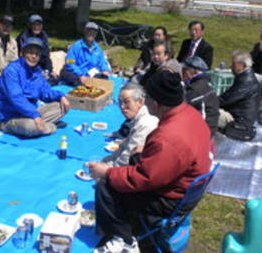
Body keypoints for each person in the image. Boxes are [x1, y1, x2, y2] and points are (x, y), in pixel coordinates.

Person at [89, 71, 212, 253]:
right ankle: (130, 224)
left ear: (156, 103)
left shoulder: (169, 137)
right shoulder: (190, 114)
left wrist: (107, 171)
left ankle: (124, 240)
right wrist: (147, 150)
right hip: (189, 186)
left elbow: (142, 179)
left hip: (173, 198)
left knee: (105, 187)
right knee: (134, 158)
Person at [0, 37, 70, 138]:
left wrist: (61, 96)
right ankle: (48, 127)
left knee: (61, 106)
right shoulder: (12, 70)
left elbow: (45, 92)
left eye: (37, 54)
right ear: (22, 53)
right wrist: (35, 115)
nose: (33, 56)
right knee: (30, 126)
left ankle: (40, 126)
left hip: (31, 113)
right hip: (11, 116)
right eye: (30, 52)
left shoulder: (37, 71)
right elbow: (16, 98)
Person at [102, 83, 159, 167]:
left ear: (139, 102)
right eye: (120, 102)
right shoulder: (136, 120)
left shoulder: (145, 124)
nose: (122, 106)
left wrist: (106, 171)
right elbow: (124, 147)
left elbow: (127, 158)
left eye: (126, 102)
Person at [219, 51, 260, 141]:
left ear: (243, 66)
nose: (231, 67)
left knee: (207, 112)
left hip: (240, 124)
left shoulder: (246, 81)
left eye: (234, 64)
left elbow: (225, 100)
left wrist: (208, 101)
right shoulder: (245, 77)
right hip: (239, 117)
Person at [60, 22, 111, 86]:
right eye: (89, 31)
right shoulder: (76, 46)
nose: (91, 34)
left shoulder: (97, 48)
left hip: (88, 74)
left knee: (104, 78)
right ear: (85, 31)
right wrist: (80, 74)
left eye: (93, 32)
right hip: (75, 72)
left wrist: (105, 70)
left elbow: (102, 61)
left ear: (96, 34)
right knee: (71, 78)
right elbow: (70, 62)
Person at [182, 56, 219, 137]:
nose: (182, 72)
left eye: (184, 70)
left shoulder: (196, 89)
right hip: (209, 128)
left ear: (193, 71)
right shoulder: (204, 83)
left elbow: (182, 107)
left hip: (203, 131)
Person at [17, 14, 57, 84]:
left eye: (39, 25)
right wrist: (39, 71)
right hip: (28, 67)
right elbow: (24, 58)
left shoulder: (43, 36)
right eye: (34, 25)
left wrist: (48, 70)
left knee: (55, 79)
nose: (37, 27)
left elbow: (46, 56)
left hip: (40, 67)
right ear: (29, 25)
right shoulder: (23, 37)